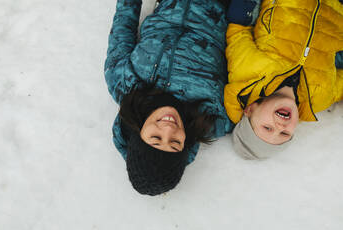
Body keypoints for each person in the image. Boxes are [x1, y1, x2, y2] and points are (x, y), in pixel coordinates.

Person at [104, 0, 233, 195]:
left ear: (138, 133)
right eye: (175, 143)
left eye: (156, 138)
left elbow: (123, 27)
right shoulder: (215, 116)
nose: (168, 129)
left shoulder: (122, 82)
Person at [224, 0, 343, 159]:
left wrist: (244, 10)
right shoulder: (320, 98)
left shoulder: (247, 71)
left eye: (267, 128)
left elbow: (237, 33)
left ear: (250, 110)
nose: (280, 126)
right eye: (285, 133)